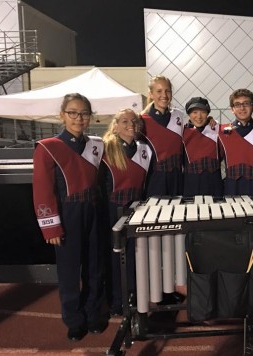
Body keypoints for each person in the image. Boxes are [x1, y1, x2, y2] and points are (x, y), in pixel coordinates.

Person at [32, 93, 107, 341]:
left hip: (94, 211)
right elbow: (43, 190)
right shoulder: (48, 147)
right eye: (73, 112)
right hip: (67, 214)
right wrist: (51, 228)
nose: (79, 118)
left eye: (84, 113)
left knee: (95, 266)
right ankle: (74, 320)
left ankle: (94, 313)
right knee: (69, 270)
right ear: (62, 115)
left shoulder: (97, 144)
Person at [99, 108, 152, 317]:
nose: (130, 124)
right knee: (115, 257)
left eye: (134, 121)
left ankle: (134, 296)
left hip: (137, 209)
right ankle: (117, 300)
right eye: (124, 121)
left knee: (136, 255)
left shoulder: (145, 150)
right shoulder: (105, 149)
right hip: (113, 210)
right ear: (115, 125)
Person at [218, 88, 253, 196]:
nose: (242, 108)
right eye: (238, 104)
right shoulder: (221, 131)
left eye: (246, 104)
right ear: (232, 109)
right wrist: (210, 118)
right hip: (232, 189)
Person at [140, 75, 184, 197]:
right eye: (159, 91)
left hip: (177, 179)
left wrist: (211, 120)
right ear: (151, 94)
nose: (164, 95)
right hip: (155, 181)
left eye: (167, 91)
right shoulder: (141, 120)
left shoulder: (179, 115)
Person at [183, 96, 223, 197]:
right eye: (194, 112)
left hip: (214, 184)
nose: (199, 116)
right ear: (188, 114)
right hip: (190, 185)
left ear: (208, 114)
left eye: (203, 112)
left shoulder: (217, 129)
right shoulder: (182, 132)